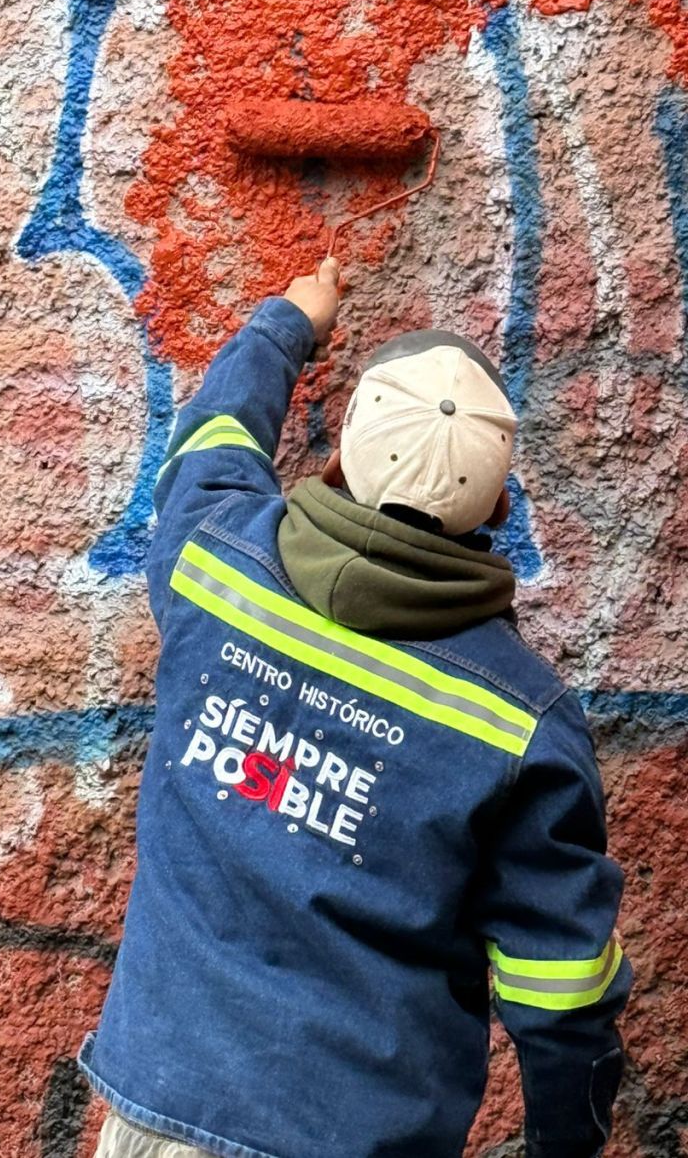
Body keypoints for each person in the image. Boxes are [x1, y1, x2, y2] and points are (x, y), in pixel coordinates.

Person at [80, 257, 631, 1158]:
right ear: (497, 501)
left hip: (160, 1112)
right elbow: (562, 990)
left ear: (340, 456)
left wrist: (288, 323)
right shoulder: (523, 722)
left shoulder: (214, 565)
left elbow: (209, 440)